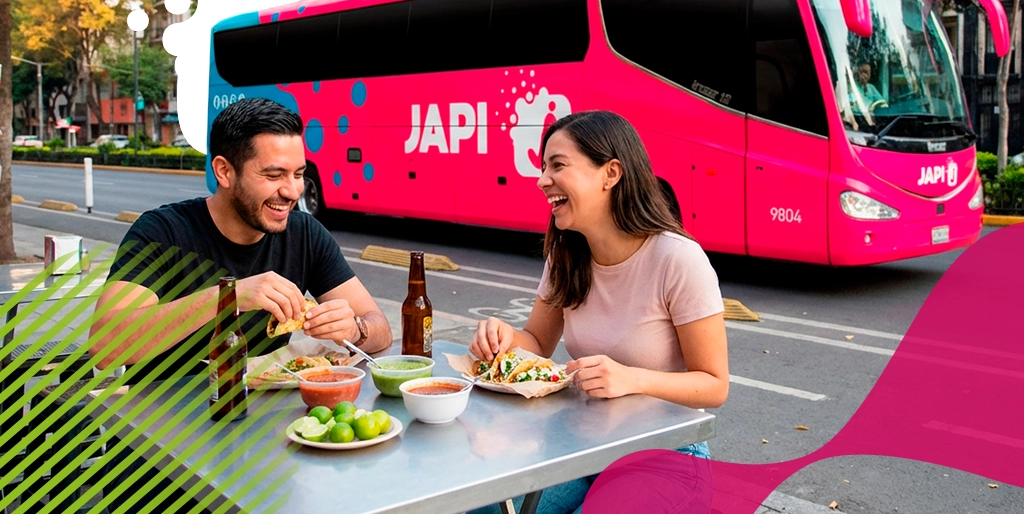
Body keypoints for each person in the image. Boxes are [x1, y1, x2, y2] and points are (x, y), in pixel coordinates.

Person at [88, 97, 392, 513]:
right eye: (273, 175)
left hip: (270, 449)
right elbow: (107, 345)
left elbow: (380, 330)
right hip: (161, 464)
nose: (292, 191)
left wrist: (354, 328)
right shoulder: (162, 232)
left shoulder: (305, 233)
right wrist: (228, 296)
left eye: (299, 174)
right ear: (224, 171)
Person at [466, 110, 729, 514]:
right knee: (485, 506)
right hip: (581, 444)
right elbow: (536, 342)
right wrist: (504, 338)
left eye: (558, 165)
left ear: (611, 173)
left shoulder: (678, 258)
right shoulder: (565, 253)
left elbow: (714, 385)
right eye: (542, 167)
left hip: (664, 454)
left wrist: (628, 378)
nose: (541, 180)